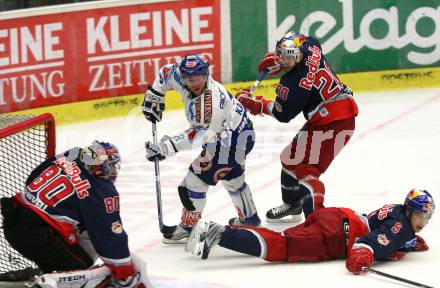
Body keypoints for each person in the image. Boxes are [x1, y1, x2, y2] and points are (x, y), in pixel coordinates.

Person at [235, 32, 358, 221]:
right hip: (331, 115)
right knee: (290, 157)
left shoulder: (294, 84)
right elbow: (303, 38)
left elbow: (282, 114)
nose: (284, 61)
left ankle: (318, 221)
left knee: (306, 169)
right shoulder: (311, 47)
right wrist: (281, 60)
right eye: (281, 55)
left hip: (335, 124)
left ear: (298, 54)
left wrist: (255, 103)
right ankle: (293, 204)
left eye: (289, 57)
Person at [142, 53, 260, 243]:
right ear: (184, 76)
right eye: (190, 79)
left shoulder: (210, 105)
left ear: (206, 76)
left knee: (194, 182)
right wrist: (155, 94)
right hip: (241, 132)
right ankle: (250, 219)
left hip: (229, 142)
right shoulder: (179, 75)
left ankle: (188, 228)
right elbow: (165, 73)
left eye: (198, 78)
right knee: (233, 179)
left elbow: (199, 135)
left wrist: (165, 147)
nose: (194, 83)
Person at [0, 141, 152, 288]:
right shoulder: (103, 193)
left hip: (13, 217)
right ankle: (44, 283)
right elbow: (109, 236)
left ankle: (31, 275)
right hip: (38, 235)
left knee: (80, 233)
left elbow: (33, 176)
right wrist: (124, 274)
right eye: (111, 167)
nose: (113, 171)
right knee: (80, 266)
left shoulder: (72, 153)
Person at [185, 189, 434, 275]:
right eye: (420, 215)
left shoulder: (400, 217)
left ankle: (222, 235)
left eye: (427, 216)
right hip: (334, 235)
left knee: (282, 239)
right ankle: (218, 233)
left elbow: (386, 230)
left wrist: (408, 242)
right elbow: (368, 243)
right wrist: (363, 256)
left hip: (335, 218)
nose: (423, 220)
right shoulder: (400, 228)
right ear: (410, 211)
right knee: (281, 247)